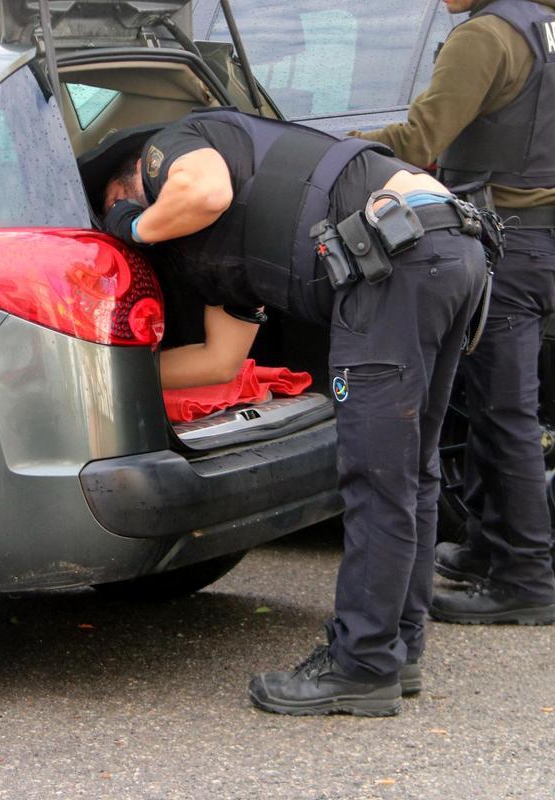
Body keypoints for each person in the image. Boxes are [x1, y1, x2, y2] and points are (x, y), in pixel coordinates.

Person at [102, 109, 488, 716]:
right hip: (445, 249)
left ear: (134, 178)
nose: (124, 219)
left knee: (376, 478)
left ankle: (361, 666)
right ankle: (395, 648)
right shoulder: (219, 255)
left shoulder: (173, 145)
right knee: (409, 471)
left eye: (115, 201)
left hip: (395, 258)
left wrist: (134, 226)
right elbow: (219, 361)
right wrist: (112, 371)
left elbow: (201, 191)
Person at [350, 0, 555, 625]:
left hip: (510, 238)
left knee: (502, 412)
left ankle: (525, 579)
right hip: (542, 238)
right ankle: (489, 546)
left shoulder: (486, 37)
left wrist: (331, 146)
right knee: (503, 403)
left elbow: (419, 142)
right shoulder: (544, 26)